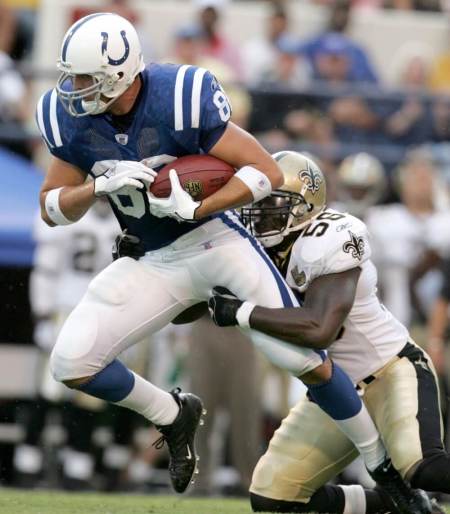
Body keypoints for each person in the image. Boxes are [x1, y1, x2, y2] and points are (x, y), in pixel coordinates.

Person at [36, 12, 419, 505]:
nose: (74, 87)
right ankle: (174, 416)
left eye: (86, 77)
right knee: (71, 362)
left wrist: (200, 204)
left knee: (302, 359)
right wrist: (94, 188)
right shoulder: (70, 117)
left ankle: (382, 467)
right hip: (154, 257)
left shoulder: (179, 93)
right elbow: (51, 207)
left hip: (218, 241)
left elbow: (264, 170)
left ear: (120, 71)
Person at [207, 151, 449, 514]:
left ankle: (412, 494)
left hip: (391, 371)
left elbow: (320, 328)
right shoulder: (251, 247)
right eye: (258, 202)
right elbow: (198, 303)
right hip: (333, 390)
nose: (261, 213)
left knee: (421, 467)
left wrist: (241, 312)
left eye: (274, 203)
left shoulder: (331, 236)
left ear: (305, 204)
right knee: (273, 498)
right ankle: (392, 506)